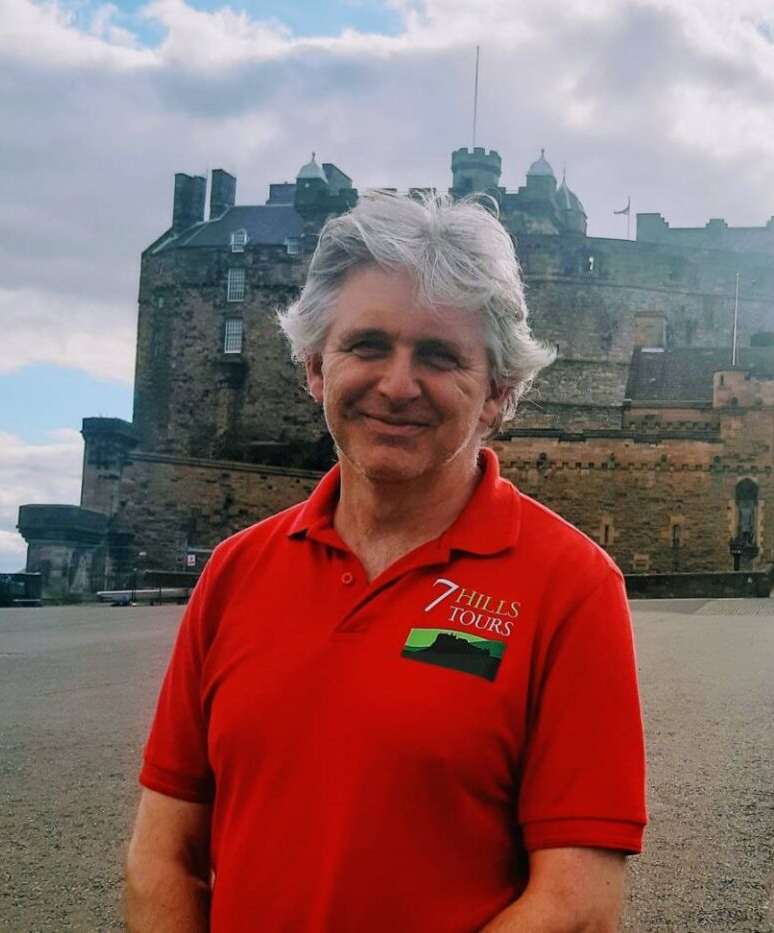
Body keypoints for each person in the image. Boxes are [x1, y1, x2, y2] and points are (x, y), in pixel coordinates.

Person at [124, 192, 647, 932]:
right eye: (368, 345)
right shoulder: (236, 571)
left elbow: (578, 905)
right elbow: (161, 856)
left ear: (498, 391)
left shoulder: (572, 587)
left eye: (438, 356)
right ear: (314, 366)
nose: (398, 385)